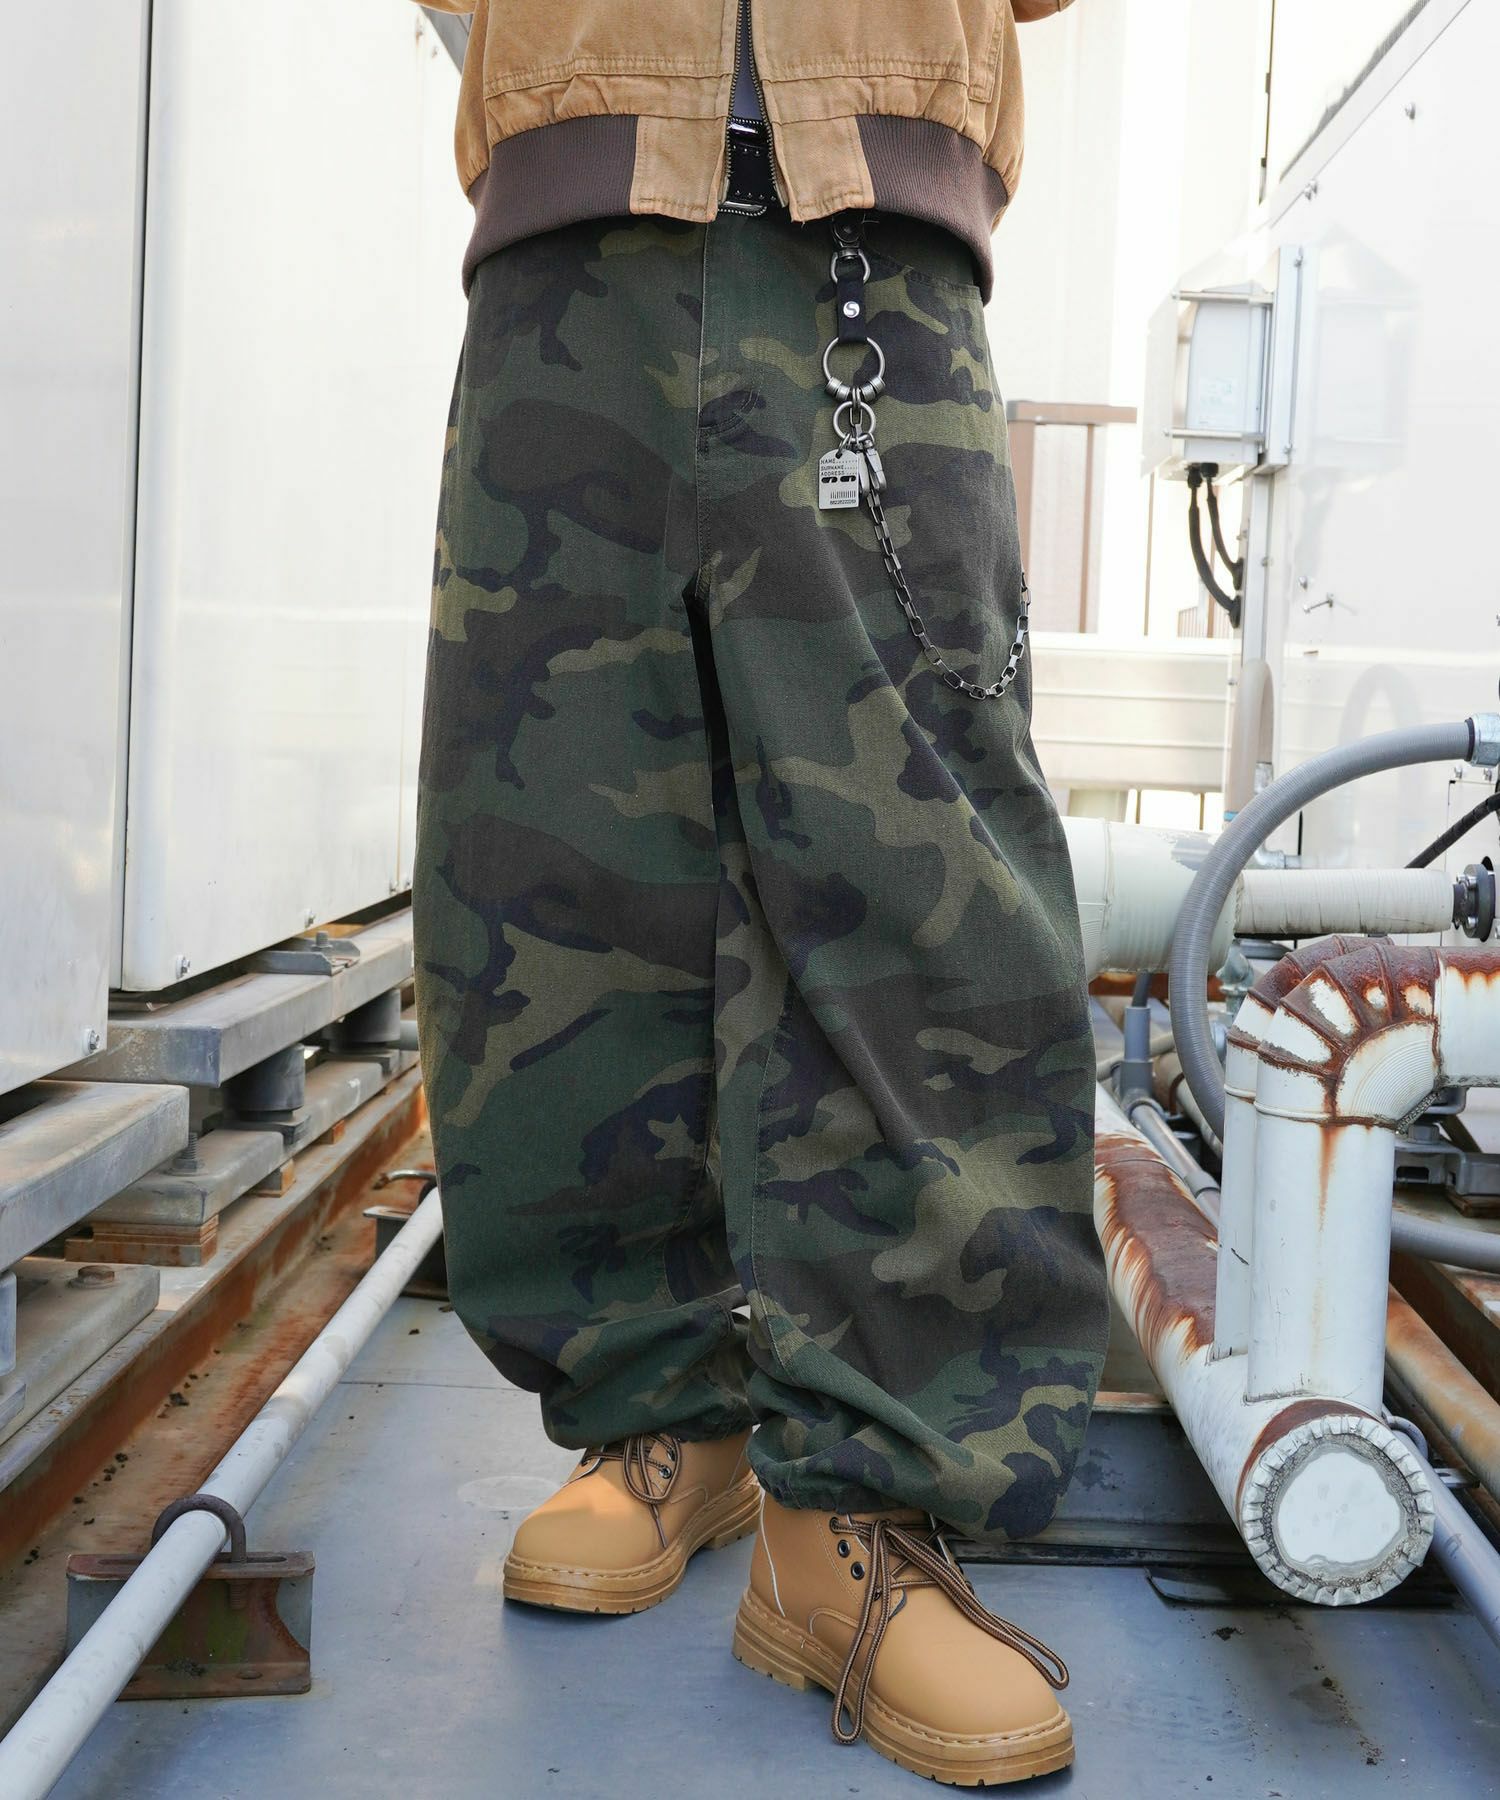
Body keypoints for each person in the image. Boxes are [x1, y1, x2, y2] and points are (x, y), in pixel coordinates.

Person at [412, 0, 1106, 1783]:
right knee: (550, 861)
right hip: (572, 235)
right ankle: (660, 1411)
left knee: (913, 872)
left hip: (871, 231)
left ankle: (856, 1511)